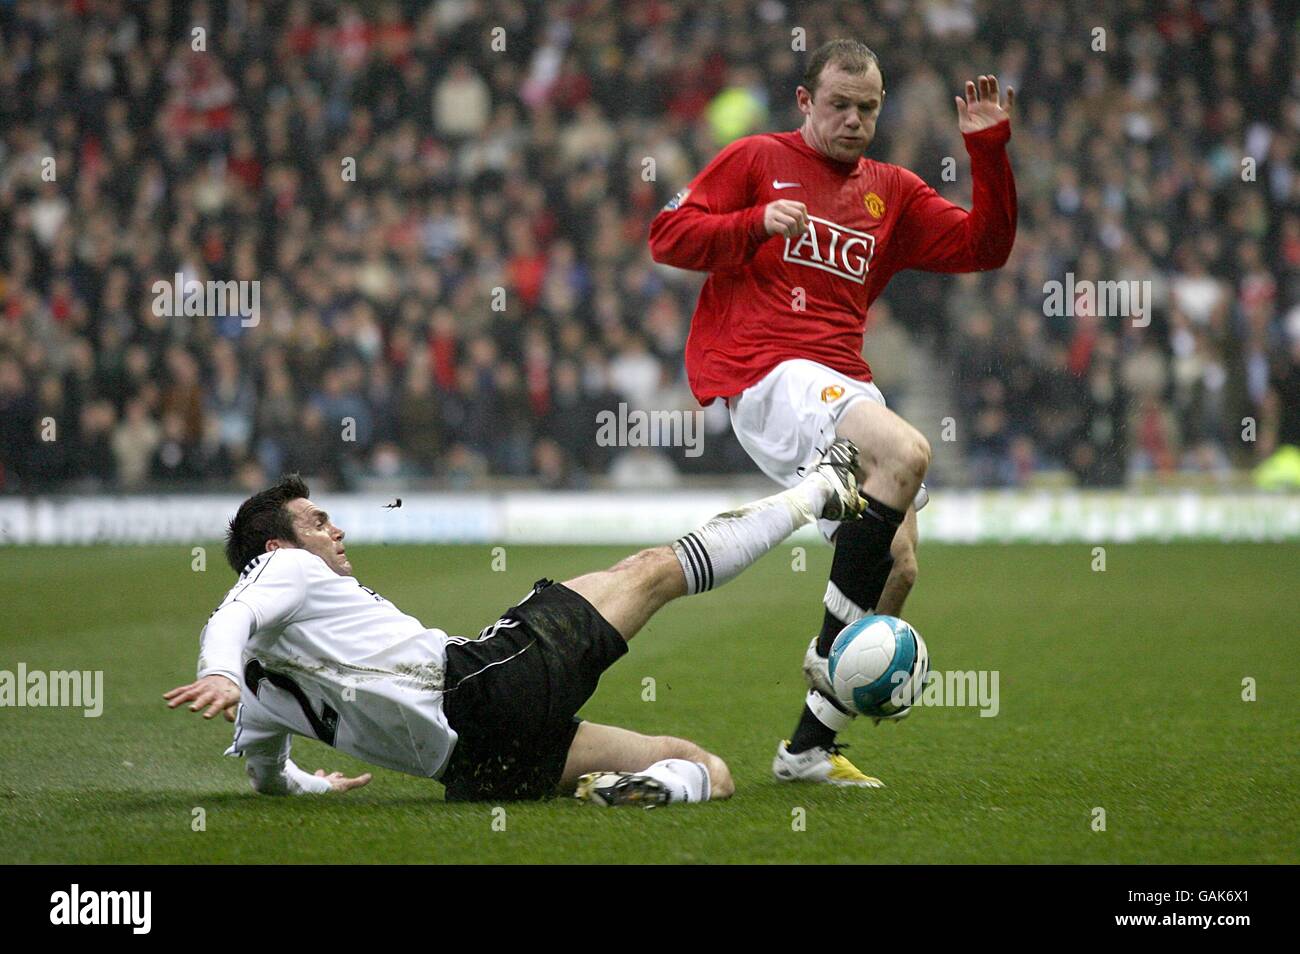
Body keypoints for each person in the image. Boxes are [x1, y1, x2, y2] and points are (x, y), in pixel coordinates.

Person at [649, 39, 1017, 785]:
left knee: (898, 568)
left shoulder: (895, 190)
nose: (854, 120)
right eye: (840, 105)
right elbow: (667, 236)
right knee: (909, 452)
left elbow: (987, 246)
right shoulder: (756, 159)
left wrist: (988, 151)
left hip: (842, 381)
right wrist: (753, 223)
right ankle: (830, 651)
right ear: (804, 102)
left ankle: (806, 751)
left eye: (869, 108)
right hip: (767, 372)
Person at [164, 445, 863, 807]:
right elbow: (235, 614)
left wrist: (316, 784)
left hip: (477, 771)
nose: (336, 527)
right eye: (316, 521)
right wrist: (216, 670)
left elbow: (266, 775)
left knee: (706, 768)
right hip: (484, 684)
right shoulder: (283, 572)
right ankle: (820, 491)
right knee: (651, 571)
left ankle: (648, 790)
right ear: (277, 548)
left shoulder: (258, 696)